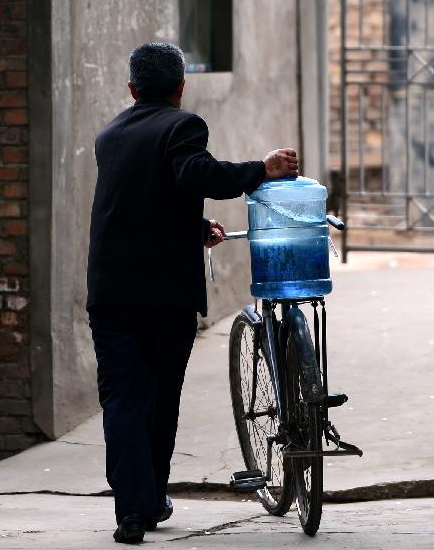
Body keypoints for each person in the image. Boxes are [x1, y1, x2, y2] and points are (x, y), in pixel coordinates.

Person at [86, 42, 299, 544]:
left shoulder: (109, 135)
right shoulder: (183, 126)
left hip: (112, 292)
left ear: (132, 88)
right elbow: (195, 175)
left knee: (122, 400)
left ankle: (133, 511)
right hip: (165, 295)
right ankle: (147, 500)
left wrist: (197, 227)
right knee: (160, 399)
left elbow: (140, 201)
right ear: (181, 86)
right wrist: (260, 169)